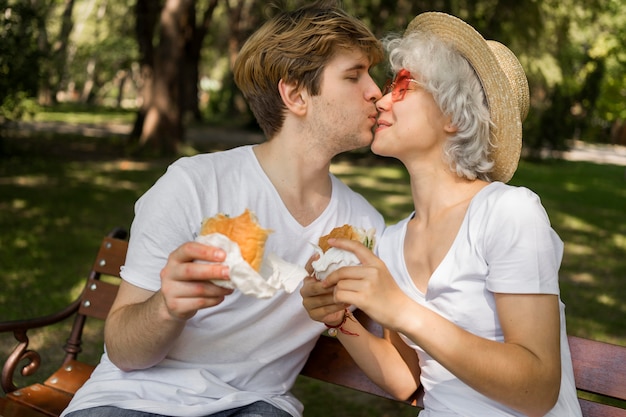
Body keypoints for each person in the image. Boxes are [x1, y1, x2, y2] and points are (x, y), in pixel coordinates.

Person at [61, 2, 386, 417]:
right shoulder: (194, 185)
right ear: (296, 94)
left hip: (257, 404)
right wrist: (166, 306)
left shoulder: (363, 226)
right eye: (354, 75)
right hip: (134, 397)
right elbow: (124, 352)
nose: (376, 90)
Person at [301, 12, 583, 417]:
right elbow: (406, 380)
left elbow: (537, 391)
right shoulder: (395, 240)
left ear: (453, 113)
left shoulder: (508, 213)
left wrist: (400, 309)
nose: (381, 100)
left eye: (402, 86)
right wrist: (339, 317)